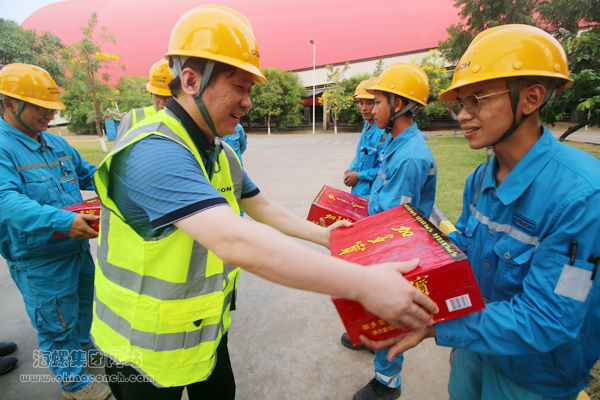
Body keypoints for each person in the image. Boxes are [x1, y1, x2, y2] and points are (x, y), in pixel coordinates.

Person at [91, 6, 439, 400]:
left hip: (202, 335)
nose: (247, 102)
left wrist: (325, 236)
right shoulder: (153, 150)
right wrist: (363, 285)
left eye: (250, 91)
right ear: (190, 80)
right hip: (141, 350)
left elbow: (262, 206)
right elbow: (234, 240)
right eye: (239, 87)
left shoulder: (220, 152)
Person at [362, 24, 600, 400]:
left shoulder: (582, 196)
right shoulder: (480, 178)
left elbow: (550, 318)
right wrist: (408, 267)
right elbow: (464, 247)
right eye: (460, 104)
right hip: (475, 345)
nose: (462, 115)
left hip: (533, 375)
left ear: (531, 98)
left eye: (476, 100)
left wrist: (435, 326)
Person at [0, 63, 110, 399]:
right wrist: (64, 222)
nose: (50, 114)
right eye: (40, 107)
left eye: (51, 108)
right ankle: (73, 382)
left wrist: (123, 181)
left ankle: (84, 350)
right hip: (39, 260)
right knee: (56, 322)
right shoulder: (3, 147)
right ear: (8, 103)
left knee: (82, 307)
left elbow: (89, 173)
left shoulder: (54, 142)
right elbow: (6, 201)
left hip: (75, 248)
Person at [348, 63, 437, 400]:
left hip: (393, 247)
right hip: (379, 237)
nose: (372, 110)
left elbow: (396, 221)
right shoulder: (396, 142)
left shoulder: (411, 156)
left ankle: (387, 382)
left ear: (397, 105)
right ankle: (368, 340)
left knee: (386, 311)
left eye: (377, 102)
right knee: (371, 307)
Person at [343, 77, 389, 198]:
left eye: (369, 103)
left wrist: (358, 176)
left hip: (371, 197)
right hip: (358, 192)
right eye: (360, 102)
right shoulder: (366, 125)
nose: (363, 108)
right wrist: (351, 169)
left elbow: (384, 170)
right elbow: (361, 153)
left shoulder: (384, 133)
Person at [115, 59, 173, 143]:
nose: (162, 101)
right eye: (157, 96)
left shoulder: (185, 120)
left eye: (167, 97)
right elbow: (120, 148)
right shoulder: (132, 118)